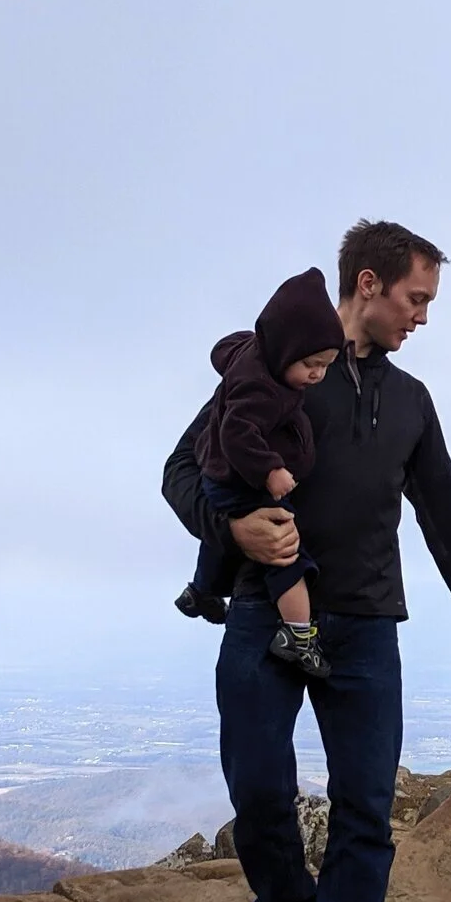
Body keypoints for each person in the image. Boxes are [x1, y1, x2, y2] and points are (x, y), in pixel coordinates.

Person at [162, 220, 451, 902]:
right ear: (367, 286)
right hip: (264, 609)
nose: (422, 317)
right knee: (255, 782)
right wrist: (237, 530)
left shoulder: (410, 401)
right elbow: (183, 472)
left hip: (364, 624)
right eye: (415, 298)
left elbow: (446, 518)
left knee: (363, 801)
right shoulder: (275, 374)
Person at [186, 268, 346, 678]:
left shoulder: (256, 356)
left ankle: (201, 590)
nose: (317, 376)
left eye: (326, 366)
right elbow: (237, 432)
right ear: (283, 349)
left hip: (219, 476)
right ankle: (297, 634)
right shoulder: (260, 387)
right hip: (241, 477)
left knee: (227, 533)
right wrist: (271, 470)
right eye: (311, 364)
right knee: (285, 552)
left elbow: (226, 347)